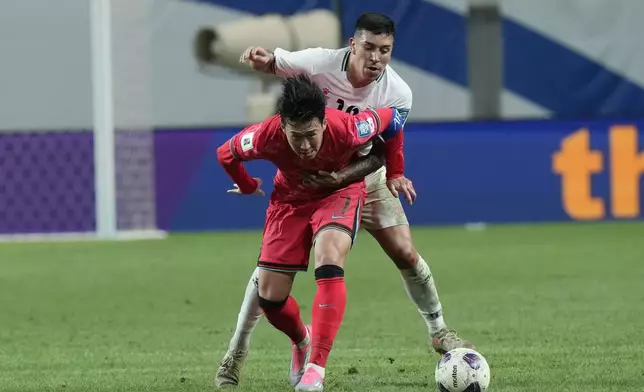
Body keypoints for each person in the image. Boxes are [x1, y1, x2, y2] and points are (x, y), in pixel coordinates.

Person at [216, 12, 474, 388]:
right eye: (368, 47)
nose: (376, 58)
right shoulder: (320, 64)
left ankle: (439, 331)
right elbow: (278, 63)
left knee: (403, 252)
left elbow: (386, 142)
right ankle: (237, 351)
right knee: (270, 278)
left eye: (385, 50)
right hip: (305, 182)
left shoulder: (397, 93)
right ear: (353, 44)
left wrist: (390, 174)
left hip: (360, 177)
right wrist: (263, 59)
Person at [216, 74, 408, 391]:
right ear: (282, 128)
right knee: (270, 300)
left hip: (339, 193)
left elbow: (394, 119)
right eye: (296, 137)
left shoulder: (347, 127)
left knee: (329, 257)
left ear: (322, 121)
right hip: (289, 201)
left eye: (311, 135)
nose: (304, 146)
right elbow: (226, 153)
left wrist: (396, 171)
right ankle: (302, 340)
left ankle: (315, 369)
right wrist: (249, 186)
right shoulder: (265, 135)